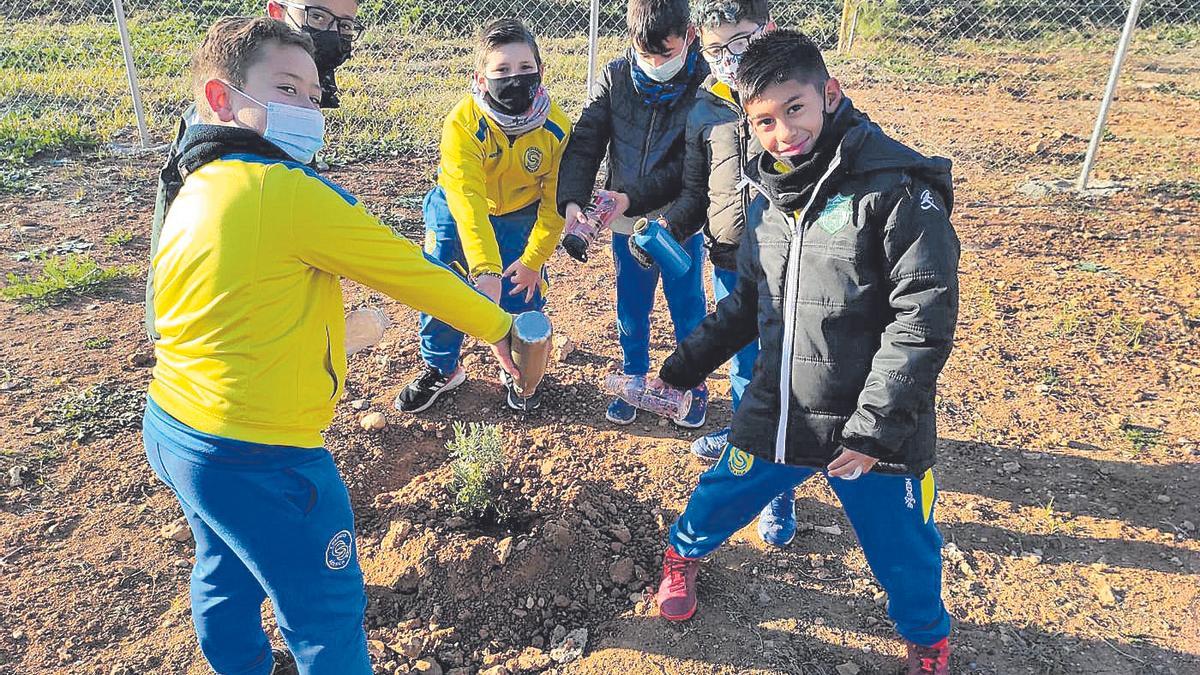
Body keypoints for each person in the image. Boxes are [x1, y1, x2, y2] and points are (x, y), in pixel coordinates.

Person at [142, 17, 518, 675]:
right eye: (286, 88)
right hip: (262, 454)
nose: (308, 109)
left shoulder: (196, 175)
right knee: (325, 608)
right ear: (224, 98)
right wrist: (500, 327)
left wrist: (340, 333)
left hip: (177, 428)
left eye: (314, 95)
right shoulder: (285, 190)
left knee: (225, 567)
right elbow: (412, 271)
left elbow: (224, 307)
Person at [649, 30, 960, 674]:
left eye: (795, 108)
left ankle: (927, 640)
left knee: (902, 546)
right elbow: (746, 305)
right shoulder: (771, 201)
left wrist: (873, 430)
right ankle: (682, 554)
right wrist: (683, 367)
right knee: (721, 496)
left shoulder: (897, 192)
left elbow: (921, 320)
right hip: (782, 404)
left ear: (830, 94)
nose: (782, 131)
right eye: (763, 120)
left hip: (871, 427)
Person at [146, 0, 364, 340]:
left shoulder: (299, 82)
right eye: (318, 16)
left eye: (345, 25)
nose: (333, 35)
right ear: (277, 11)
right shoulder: (233, 110)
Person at [661, 0, 796, 545]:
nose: (728, 58)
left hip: (790, 268)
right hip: (727, 260)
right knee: (743, 364)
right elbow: (697, 192)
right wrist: (670, 229)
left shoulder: (794, 98)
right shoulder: (705, 110)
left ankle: (778, 483)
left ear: (766, 30)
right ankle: (745, 437)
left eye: (741, 41)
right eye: (716, 49)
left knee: (782, 373)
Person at [395, 18, 572, 414]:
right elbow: (468, 200)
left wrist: (532, 261)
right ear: (480, 76)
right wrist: (485, 268)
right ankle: (442, 367)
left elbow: (554, 205)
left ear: (541, 70)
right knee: (443, 285)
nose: (515, 79)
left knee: (522, 293)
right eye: (502, 71)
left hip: (520, 214)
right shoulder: (462, 122)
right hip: (457, 208)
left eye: (525, 69)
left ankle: (521, 371)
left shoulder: (557, 129)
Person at [556, 0, 710, 428]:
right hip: (624, 218)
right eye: (646, 54)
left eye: (666, 53)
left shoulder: (705, 84)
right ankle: (634, 375)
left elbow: (688, 167)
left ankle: (691, 382)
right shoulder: (616, 76)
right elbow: (586, 140)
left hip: (680, 215)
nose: (655, 64)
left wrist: (629, 197)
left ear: (690, 36)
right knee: (632, 302)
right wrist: (572, 203)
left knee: (687, 303)